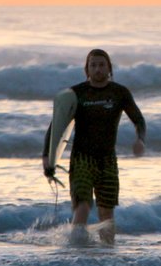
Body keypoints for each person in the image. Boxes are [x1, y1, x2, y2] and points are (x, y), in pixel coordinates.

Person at [42, 49, 146, 243]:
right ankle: (76, 248)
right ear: (87, 69)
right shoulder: (76, 94)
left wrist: (140, 139)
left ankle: (108, 252)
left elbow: (139, 119)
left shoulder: (119, 93)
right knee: (83, 205)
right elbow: (56, 125)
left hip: (107, 160)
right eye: (93, 65)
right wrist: (47, 157)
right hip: (82, 158)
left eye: (101, 65)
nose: (98, 69)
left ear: (109, 68)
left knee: (107, 211)